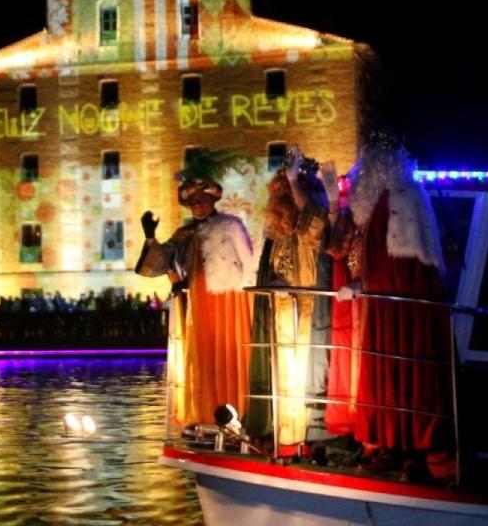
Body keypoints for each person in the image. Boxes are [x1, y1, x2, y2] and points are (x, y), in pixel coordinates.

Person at [336, 132, 451, 477]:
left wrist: (363, 284)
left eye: (371, 161)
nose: (363, 169)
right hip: (381, 309)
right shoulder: (374, 205)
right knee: (385, 374)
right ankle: (387, 442)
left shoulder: (402, 199)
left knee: (404, 371)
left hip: (400, 309)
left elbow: (403, 267)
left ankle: (411, 448)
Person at [135, 150, 254, 428]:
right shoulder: (184, 234)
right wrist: (151, 237)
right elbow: (158, 264)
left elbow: (248, 266)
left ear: (213, 199)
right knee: (201, 358)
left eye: (202, 200)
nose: (198, 206)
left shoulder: (231, 226)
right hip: (196, 302)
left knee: (228, 352)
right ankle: (204, 410)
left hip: (228, 302)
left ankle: (238, 408)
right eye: (193, 202)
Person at [244, 146, 328, 451]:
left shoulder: (314, 220)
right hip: (278, 313)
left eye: (295, 191)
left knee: (302, 377)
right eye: (286, 191)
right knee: (278, 376)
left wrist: (296, 181)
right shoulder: (275, 232)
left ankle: (302, 438)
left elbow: (316, 225)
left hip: (305, 312)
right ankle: (276, 433)